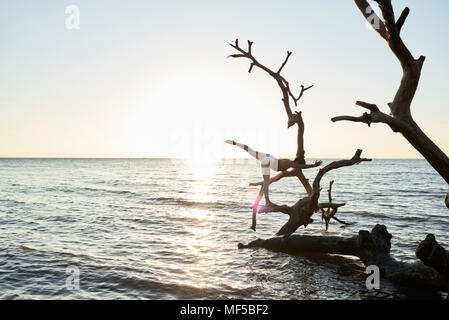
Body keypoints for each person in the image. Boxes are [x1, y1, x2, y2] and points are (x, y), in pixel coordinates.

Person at [224, 139, 322, 229]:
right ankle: (267, 202)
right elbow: (300, 166)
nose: (297, 168)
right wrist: (313, 165)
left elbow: (284, 172)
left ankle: (235, 142)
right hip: (268, 160)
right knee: (266, 181)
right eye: (298, 166)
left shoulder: (287, 163)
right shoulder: (291, 163)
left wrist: (235, 143)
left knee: (250, 151)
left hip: (267, 156)